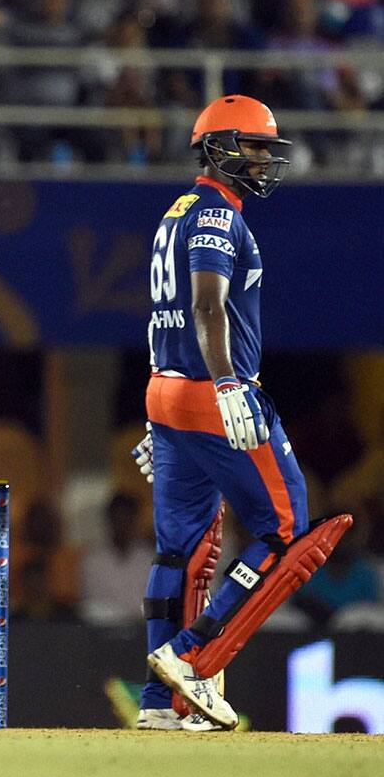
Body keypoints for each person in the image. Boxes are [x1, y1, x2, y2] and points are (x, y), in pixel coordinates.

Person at [134, 94, 352, 730]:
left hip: (167, 390)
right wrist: (228, 385)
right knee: (289, 530)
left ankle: (160, 706)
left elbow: (160, 315)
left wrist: (160, 407)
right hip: (213, 392)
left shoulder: (172, 214)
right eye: (252, 146)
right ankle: (191, 657)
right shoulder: (216, 218)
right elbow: (206, 308)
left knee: (181, 551)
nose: (263, 159)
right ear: (217, 147)